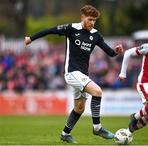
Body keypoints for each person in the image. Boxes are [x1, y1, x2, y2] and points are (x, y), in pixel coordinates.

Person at [25, 5, 123, 143]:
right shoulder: (71, 28)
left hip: (82, 74)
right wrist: (31, 38)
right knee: (97, 91)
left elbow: (110, 52)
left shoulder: (96, 35)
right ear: (82, 17)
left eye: (94, 20)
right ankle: (97, 128)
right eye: (90, 19)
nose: (92, 22)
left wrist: (116, 51)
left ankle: (65, 134)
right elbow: (49, 30)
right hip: (71, 72)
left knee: (79, 108)